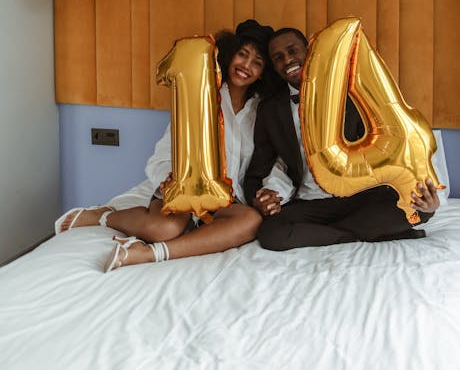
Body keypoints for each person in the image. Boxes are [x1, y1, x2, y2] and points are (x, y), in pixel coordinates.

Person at [56, 19, 290, 271]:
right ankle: (103, 215)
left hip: (228, 202)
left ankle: (148, 254)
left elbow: (276, 159)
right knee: (165, 228)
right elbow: (164, 154)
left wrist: (273, 191)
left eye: (257, 62)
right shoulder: (200, 96)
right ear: (229, 55)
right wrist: (169, 181)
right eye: (242, 55)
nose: (246, 66)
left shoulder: (262, 111)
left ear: (263, 72)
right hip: (185, 190)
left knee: (250, 222)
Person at [244, 27, 440, 251]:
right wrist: (257, 200)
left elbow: (394, 145)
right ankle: (364, 235)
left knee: (420, 211)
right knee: (271, 234)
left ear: (310, 52)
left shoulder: (353, 92)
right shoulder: (270, 110)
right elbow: (257, 171)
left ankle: (330, 235)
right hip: (310, 203)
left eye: (293, 51)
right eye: (278, 57)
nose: (288, 60)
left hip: (360, 198)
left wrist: (425, 197)